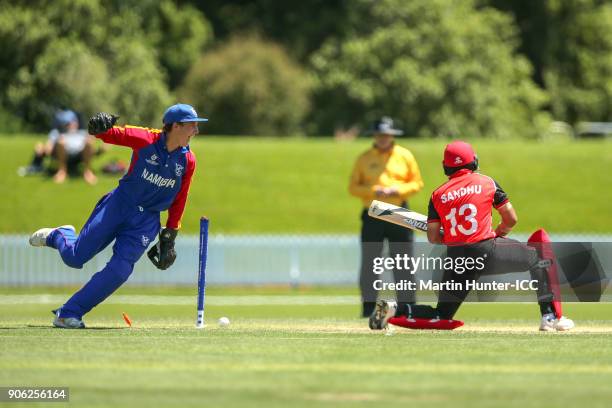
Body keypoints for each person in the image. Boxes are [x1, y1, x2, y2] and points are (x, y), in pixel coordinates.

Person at [28, 103, 206, 329]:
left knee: (121, 270)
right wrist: (100, 127)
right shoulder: (145, 139)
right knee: (75, 257)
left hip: (146, 220)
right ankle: (59, 235)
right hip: (119, 205)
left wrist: (170, 233)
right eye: (192, 126)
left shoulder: (188, 160)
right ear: (175, 126)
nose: (196, 132)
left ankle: (69, 313)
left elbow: (180, 197)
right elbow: (110, 134)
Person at [369, 140, 575, 331]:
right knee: (538, 256)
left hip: (457, 258)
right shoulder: (487, 182)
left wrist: (451, 237)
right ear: (474, 160)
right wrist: (499, 233)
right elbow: (511, 218)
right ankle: (550, 317)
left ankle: (395, 308)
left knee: (441, 314)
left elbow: (433, 237)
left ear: (446, 166)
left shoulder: (437, 194)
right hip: (487, 250)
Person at [349, 117, 424, 317]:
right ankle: (368, 309)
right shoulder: (364, 158)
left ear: (392, 135)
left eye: (386, 135)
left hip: (398, 210)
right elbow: (353, 187)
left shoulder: (405, 155)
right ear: (374, 136)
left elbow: (417, 183)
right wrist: (375, 190)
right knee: (370, 262)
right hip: (373, 210)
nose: (383, 138)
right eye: (379, 135)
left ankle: (408, 308)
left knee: (403, 262)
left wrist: (397, 190)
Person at [19, 109, 99, 184]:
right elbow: (48, 147)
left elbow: (92, 147)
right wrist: (43, 148)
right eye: (68, 123)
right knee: (61, 141)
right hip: (61, 154)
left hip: (79, 155)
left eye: (73, 122)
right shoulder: (57, 133)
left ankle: (87, 172)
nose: (71, 124)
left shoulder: (82, 132)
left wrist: (100, 149)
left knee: (89, 141)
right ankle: (62, 171)